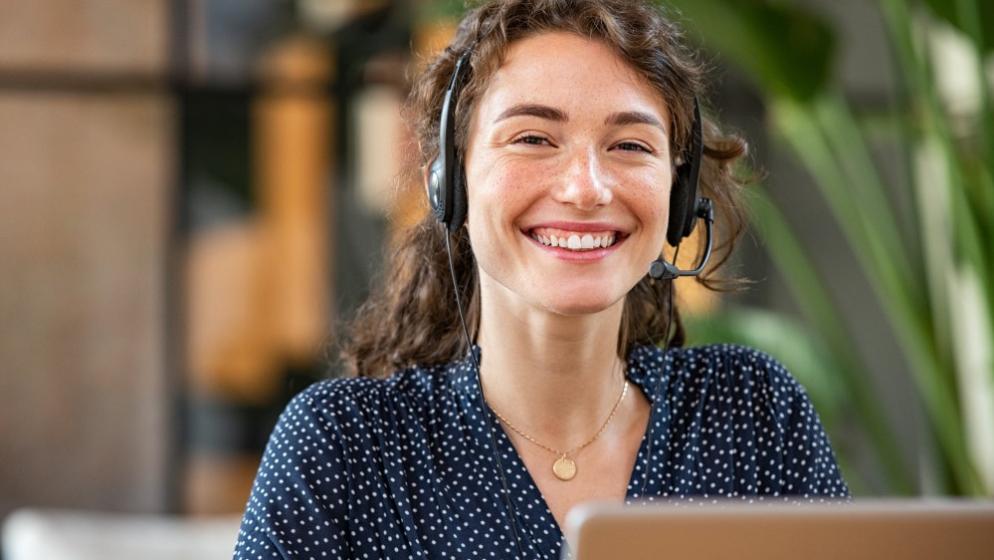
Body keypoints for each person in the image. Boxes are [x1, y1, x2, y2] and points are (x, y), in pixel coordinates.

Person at [233, 1, 849, 558]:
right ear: (451, 182)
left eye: (629, 145)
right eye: (533, 138)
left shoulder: (751, 418)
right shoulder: (345, 449)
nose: (585, 187)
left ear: (679, 194)